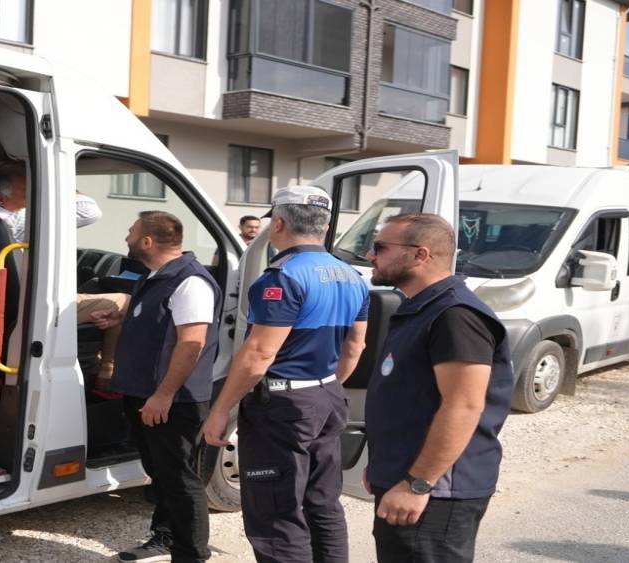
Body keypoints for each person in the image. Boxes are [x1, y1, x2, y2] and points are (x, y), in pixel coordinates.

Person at [202, 185, 369, 563]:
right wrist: (324, 388)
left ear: (278, 223)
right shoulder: (351, 276)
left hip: (283, 404)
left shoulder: (282, 277)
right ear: (325, 227)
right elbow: (354, 347)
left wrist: (221, 409)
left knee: (276, 512)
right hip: (327, 395)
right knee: (323, 503)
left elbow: (259, 353)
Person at [362, 213, 513, 563]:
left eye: (380, 247)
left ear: (420, 255)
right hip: (407, 478)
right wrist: (385, 466)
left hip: (435, 492)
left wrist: (418, 483)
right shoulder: (422, 307)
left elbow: (464, 405)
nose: (370, 256)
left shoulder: (455, 314)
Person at [91, 211, 220, 563]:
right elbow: (161, 318)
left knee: (180, 479)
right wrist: (121, 317)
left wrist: (163, 395)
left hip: (172, 402)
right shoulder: (155, 276)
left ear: (147, 241)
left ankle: (191, 554)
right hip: (144, 395)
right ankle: (165, 536)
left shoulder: (190, 281)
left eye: (131, 233)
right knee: (161, 474)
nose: (126, 238)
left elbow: (191, 343)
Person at [0, 160, 124, 387]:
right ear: (1, 199)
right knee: (123, 301)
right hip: (29, 307)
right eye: (27, 193)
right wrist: (52, 180)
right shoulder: (17, 221)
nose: (32, 199)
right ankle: (106, 372)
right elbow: (90, 210)